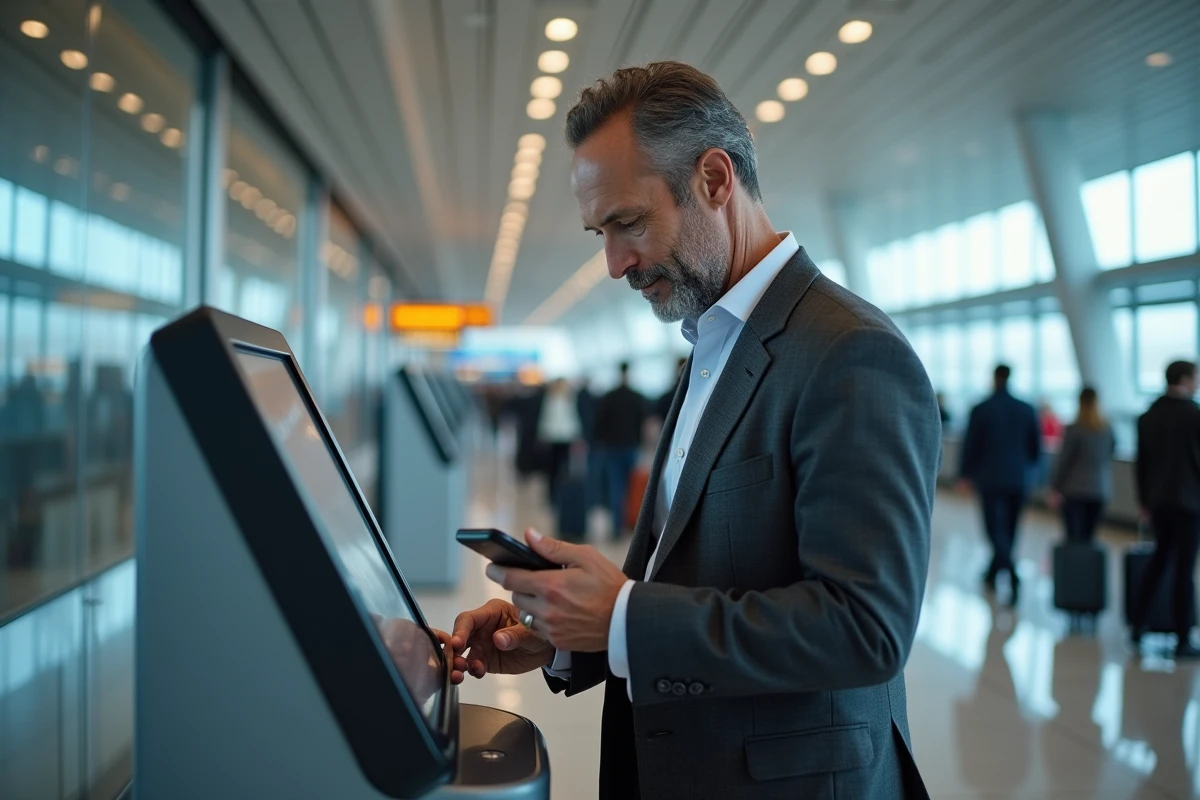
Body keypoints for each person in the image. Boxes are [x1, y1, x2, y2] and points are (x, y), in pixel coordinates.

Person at [442, 62, 939, 799]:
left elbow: (864, 627)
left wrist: (623, 616)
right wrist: (566, 634)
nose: (615, 263)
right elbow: (700, 575)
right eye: (600, 231)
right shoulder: (713, 344)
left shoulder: (849, 353)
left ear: (714, 179)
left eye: (629, 223)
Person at [1130, 360, 1200, 659]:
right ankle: (1183, 637)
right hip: (1189, 502)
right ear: (1184, 379)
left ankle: (1137, 624)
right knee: (1184, 570)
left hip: (1158, 501)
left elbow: (1141, 464)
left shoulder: (1148, 417)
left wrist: (1144, 501)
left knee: (1158, 560)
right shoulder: (1194, 415)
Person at [959, 365, 1041, 603]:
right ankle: (993, 574)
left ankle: (1011, 575)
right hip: (1019, 479)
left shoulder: (981, 409)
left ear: (994, 378)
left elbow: (971, 445)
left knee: (994, 530)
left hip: (990, 478)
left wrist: (965, 474)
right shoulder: (1026, 409)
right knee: (1010, 530)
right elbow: (1036, 448)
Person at [1047, 387, 1115, 544]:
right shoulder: (1107, 429)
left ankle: (1073, 568)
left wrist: (1055, 487)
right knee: (1089, 538)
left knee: (1073, 538)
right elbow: (1110, 452)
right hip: (1099, 489)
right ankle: (1087, 568)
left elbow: (1064, 461)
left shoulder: (1074, 429)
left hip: (1074, 490)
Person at [593, 363, 647, 538]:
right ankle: (632, 524)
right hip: (630, 446)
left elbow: (600, 422)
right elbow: (642, 422)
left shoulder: (609, 396)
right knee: (632, 487)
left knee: (616, 487)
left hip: (612, 446)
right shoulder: (636, 396)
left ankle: (617, 527)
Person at [537, 379, 582, 506]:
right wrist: (543, 434)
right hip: (553, 437)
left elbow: (573, 417)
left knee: (564, 468)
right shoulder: (550, 399)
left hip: (566, 437)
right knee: (552, 468)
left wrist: (576, 435)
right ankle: (552, 495)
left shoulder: (569, 398)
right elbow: (545, 417)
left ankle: (563, 495)